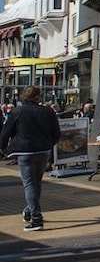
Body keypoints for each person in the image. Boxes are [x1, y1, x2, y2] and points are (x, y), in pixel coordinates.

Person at [0, 85, 61, 231]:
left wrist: (3, 148)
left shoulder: (18, 111)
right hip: (42, 151)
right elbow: (56, 133)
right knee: (36, 183)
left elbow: (6, 132)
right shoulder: (48, 112)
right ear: (38, 96)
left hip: (25, 151)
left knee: (29, 184)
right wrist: (48, 144)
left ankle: (36, 218)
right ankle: (29, 210)